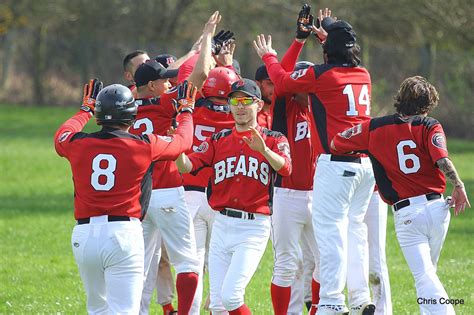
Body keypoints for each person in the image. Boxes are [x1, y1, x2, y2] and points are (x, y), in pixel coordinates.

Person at [254, 5, 376, 314]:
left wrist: (272, 55)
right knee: (351, 234)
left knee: (331, 241)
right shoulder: (362, 74)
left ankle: (331, 303)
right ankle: (359, 297)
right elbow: (287, 87)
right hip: (357, 168)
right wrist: (325, 33)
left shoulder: (320, 78)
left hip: (333, 172)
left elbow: (283, 80)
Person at [54, 79, 196, 313]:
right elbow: (183, 142)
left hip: (84, 235)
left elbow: (62, 135)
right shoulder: (144, 145)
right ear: (132, 117)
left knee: (97, 310)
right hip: (122, 234)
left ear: (99, 116)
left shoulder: (78, 143)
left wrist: (84, 109)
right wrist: (186, 111)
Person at [332, 76, 470, 315]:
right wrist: (458, 184)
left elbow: (336, 143)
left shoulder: (373, 127)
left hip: (407, 214)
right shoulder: (430, 125)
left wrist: (367, 148)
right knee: (428, 274)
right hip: (438, 210)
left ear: (400, 99)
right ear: (428, 105)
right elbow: (442, 158)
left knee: (424, 275)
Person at [129, 11, 221, 315]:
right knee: (187, 262)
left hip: (136, 196)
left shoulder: (124, 108)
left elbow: (173, 75)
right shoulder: (165, 103)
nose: (170, 86)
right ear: (154, 86)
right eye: (164, 82)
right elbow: (202, 74)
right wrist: (207, 37)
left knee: (140, 268)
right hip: (167, 189)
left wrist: (192, 50)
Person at [176, 78, 292, 314]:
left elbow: (286, 168)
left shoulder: (273, 138)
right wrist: (177, 150)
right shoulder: (219, 139)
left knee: (231, 297)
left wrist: (264, 151)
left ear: (258, 104)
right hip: (222, 224)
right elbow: (187, 166)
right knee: (218, 306)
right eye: (235, 100)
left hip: (253, 227)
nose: (239, 106)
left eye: (245, 101)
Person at [183, 66, 240, 314]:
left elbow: (192, 82)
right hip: (221, 197)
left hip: (189, 192)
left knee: (192, 263)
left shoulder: (193, 107)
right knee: (222, 263)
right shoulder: (239, 115)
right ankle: (219, 308)